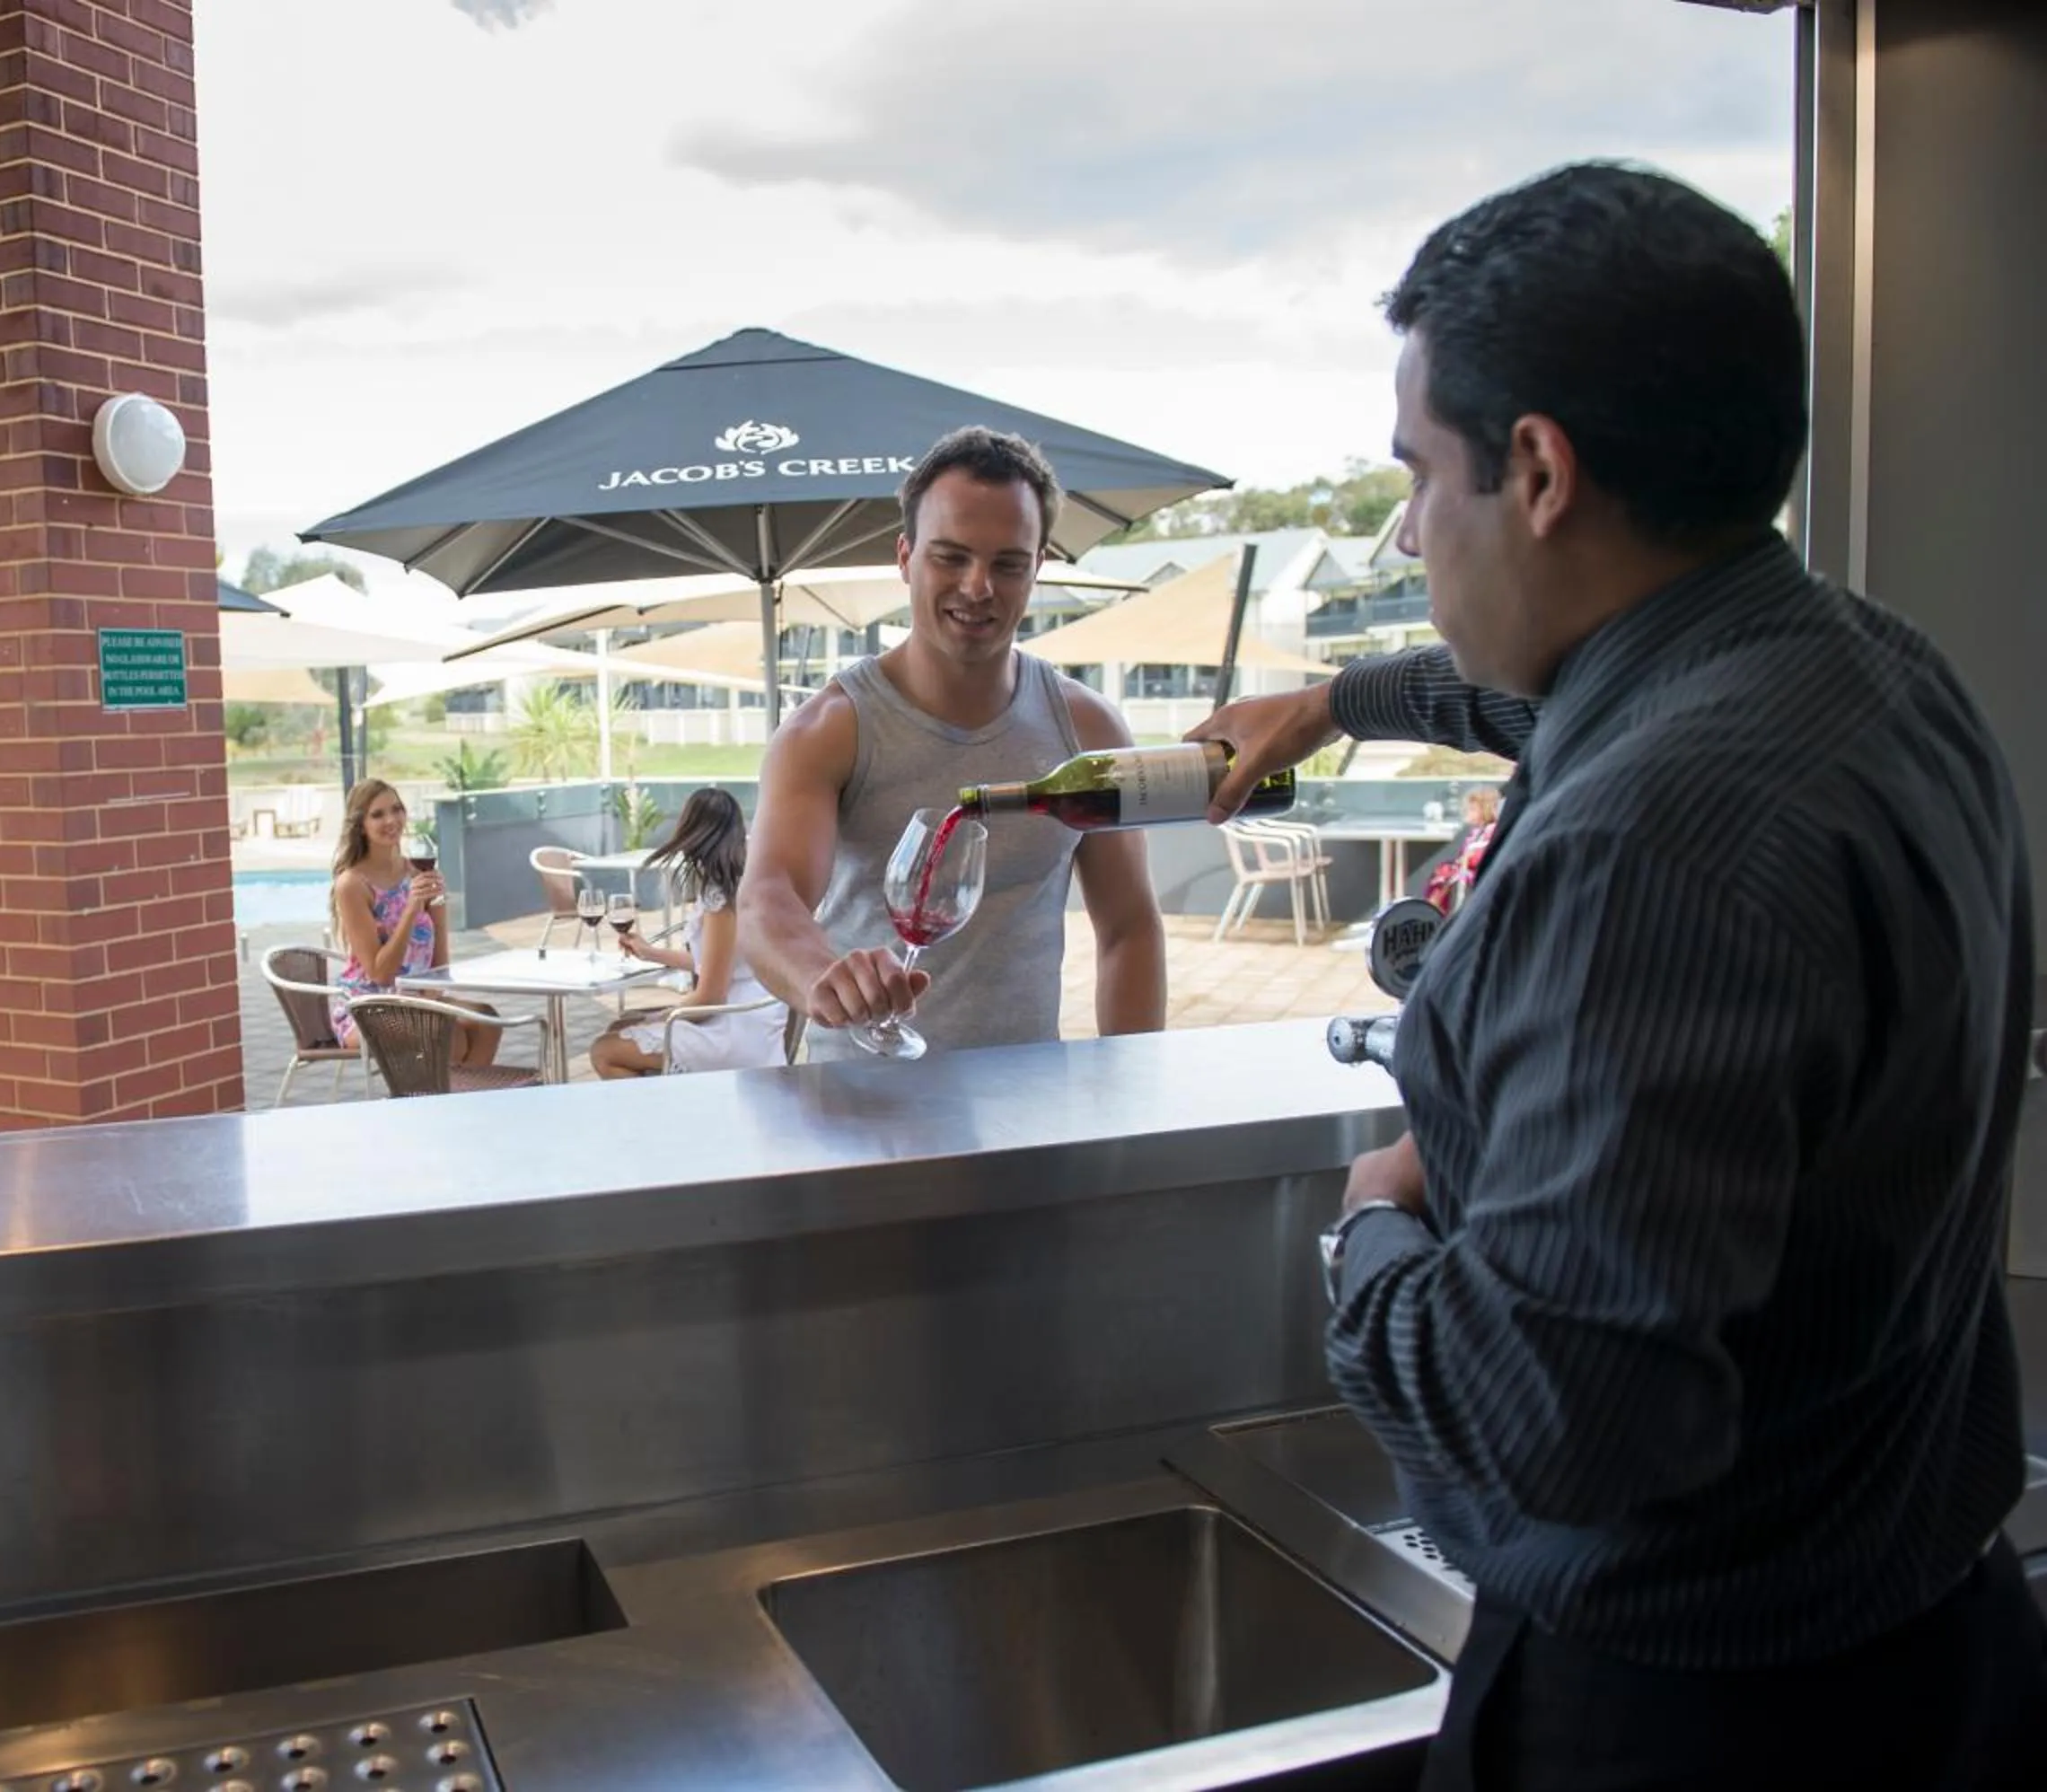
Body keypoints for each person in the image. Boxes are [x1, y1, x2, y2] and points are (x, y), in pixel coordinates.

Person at [1191, 163, 2043, 1789]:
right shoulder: (1870, 668)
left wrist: (1373, 1218)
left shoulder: (1646, 852)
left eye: (1414, 479)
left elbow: (1555, 1422)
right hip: (1939, 1654)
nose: (1410, 533)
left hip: (1697, 1723)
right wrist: (1336, 698)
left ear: (1537, 472)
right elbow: (1565, 708)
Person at [738, 426, 1165, 1059]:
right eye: (951, 557)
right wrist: (818, 976)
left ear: (1038, 566)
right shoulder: (828, 728)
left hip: (1026, 1106)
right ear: (906, 557)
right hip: (862, 1111)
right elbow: (767, 898)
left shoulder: (1090, 731)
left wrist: (1131, 1090)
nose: (977, 587)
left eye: (1007, 564)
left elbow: (1128, 928)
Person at [591, 787, 790, 1078]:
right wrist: (651, 952)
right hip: (751, 1019)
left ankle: (664, 1121)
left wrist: (659, 1017)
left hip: (734, 1031)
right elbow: (717, 962)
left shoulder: (720, 897)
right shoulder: (741, 882)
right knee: (621, 1026)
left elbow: (711, 995)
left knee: (604, 1051)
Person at [327, 779, 497, 1067]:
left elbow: (440, 962)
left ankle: (461, 1100)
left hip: (418, 998)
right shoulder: (352, 884)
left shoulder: (419, 871)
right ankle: (436, 1101)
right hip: (369, 1007)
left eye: (396, 809)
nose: (391, 820)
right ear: (360, 825)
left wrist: (432, 999)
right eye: (377, 814)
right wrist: (411, 909)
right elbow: (380, 974)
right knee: (449, 1036)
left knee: (487, 1021)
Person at [1419, 786, 1499, 909]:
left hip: (1479, 872)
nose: (1468, 813)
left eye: (1472, 810)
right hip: (1466, 867)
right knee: (1442, 871)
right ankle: (1434, 907)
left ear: (1485, 810)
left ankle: (1434, 908)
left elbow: (1481, 854)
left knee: (1446, 874)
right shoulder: (1477, 831)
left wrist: (1465, 859)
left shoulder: (1491, 830)